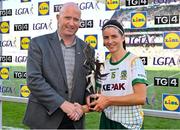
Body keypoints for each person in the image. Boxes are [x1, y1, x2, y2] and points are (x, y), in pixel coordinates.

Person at [23, 2, 92, 129]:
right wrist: (63, 104)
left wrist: (83, 107)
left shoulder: (87, 49)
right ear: (57, 18)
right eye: (67, 17)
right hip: (44, 120)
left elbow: (89, 84)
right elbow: (34, 80)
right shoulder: (38, 43)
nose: (71, 23)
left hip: (74, 120)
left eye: (76, 19)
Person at [88, 20, 148, 129]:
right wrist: (82, 108)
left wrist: (108, 100)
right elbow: (99, 99)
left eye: (114, 36)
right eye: (106, 37)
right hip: (107, 121)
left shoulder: (134, 61)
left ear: (123, 37)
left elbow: (140, 97)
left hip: (129, 125)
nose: (110, 41)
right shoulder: (103, 66)